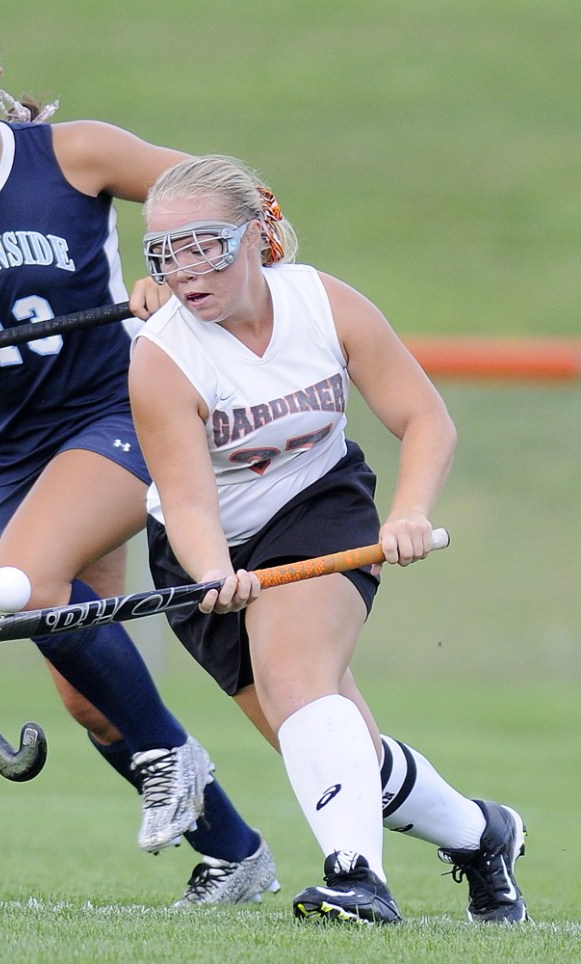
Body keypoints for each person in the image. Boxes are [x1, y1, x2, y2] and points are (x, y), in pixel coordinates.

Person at [0, 4, 280, 907]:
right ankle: (233, 854)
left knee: (27, 583)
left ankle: (170, 754)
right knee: (87, 695)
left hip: (124, 410)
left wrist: (171, 266)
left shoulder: (74, 153)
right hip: (21, 452)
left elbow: (221, 199)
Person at [128, 154, 529, 924]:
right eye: (164, 254)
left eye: (202, 244)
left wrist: (407, 512)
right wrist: (214, 572)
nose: (183, 271)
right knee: (337, 756)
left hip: (317, 507)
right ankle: (483, 835)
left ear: (256, 235)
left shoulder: (324, 304)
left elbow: (424, 419)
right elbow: (186, 502)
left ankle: (354, 880)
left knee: (295, 681)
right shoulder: (162, 359)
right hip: (202, 545)